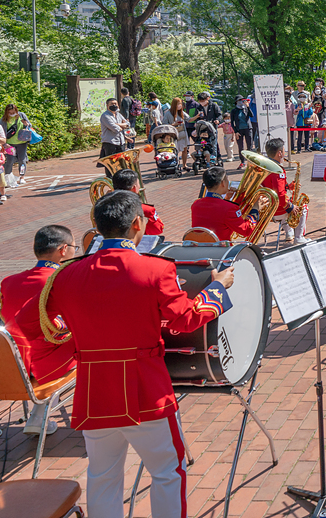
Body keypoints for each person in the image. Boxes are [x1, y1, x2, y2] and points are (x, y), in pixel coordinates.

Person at [28, 191, 233, 518]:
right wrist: (218, 288)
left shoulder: (65, 274)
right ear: (137, 224)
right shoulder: (157, 269)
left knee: (102, 476)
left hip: (95, 392)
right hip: (146, 390)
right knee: (168, 471)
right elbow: (186, 319)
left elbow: (34, 322)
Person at [0, 224, 78, 436]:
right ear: (63, 250)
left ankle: (40, 411)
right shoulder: (63, 280)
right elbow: (68, 325)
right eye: (74, 248)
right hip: (44, 364)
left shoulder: (8, 282)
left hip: (13, 363)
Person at [190, 167, 257, 241]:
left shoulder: (196, 204)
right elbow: (246, 231)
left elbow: (214, 216)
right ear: (223, 183)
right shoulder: (229, 208)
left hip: (200, 249)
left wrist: (226, 199)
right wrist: (255, 209)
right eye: (227, 180)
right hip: (221, 250)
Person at [261, 137, 307, 242]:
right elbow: (281, 196)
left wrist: (288, 187)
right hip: (277, 209)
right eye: (284, 151)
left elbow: (272, 187)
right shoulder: (278, 170)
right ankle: (299, 237)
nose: (285, 154)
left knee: (287, 203)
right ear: (279, 153)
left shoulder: (264, 167)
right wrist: (291, 207)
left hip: (268, 208)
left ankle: (289, 232)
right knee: (303, 207)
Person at [112, 169, 164, 236]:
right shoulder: (146, 210)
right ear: (134, 188)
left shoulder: (105, 207)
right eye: (138, 184)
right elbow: (158, 229)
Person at [0, 103, 33, 186]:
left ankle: (22, 177)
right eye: (9, 113)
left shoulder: (21, 115)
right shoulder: (3, 120)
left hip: (22, 142)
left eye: (13, 112)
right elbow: (0, 132)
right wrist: (4, 143)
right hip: (9, 144)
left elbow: (30, 126)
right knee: (9, 161)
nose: (11, 114)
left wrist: (26, 125)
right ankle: (8, 177)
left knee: (22, 160)